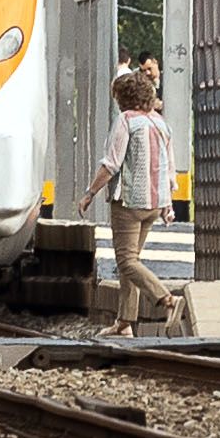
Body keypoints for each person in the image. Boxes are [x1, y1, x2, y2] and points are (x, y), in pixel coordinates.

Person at [86, 66, 179, 333]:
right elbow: (168, 167)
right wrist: (168, 204)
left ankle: (167, 299)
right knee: (132, 260)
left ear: (123, 98)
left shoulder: (126, 120)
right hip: (154, 203)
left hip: (130, 202)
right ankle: (125, 322)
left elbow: (111, 164)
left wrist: (90, 193)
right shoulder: (161, 124)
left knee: (126, 261)